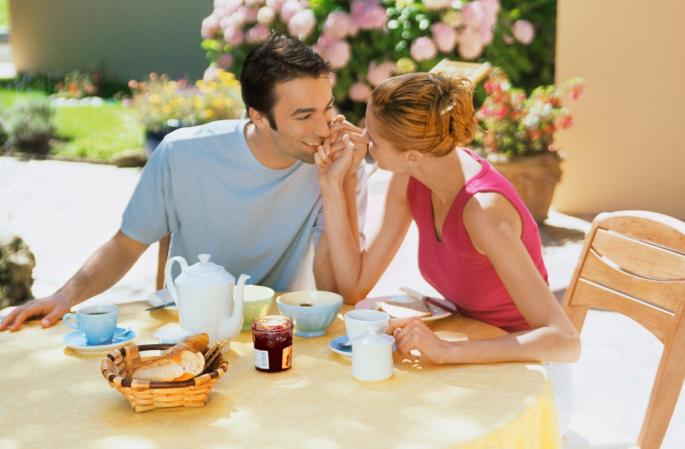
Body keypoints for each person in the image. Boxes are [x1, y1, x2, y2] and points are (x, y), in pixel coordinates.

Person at [0, 34, 367, 332]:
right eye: (304, 116)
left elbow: (334, 289)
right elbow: (125, 245)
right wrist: (64, 297)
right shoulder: (183, 153)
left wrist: (338, 184)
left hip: (275, 329)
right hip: (192, 326)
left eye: (327, 108)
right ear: (258, 116)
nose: (324, 129)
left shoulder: (337, 166)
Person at [314, 72, 578, 433]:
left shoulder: (483, 212)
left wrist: (446, 351)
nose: (362, 140)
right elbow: (353, 286)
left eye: (372, 139)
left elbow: (564, 341)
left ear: (411, 155)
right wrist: (337, 183)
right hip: (472, 357)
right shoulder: (410, 179)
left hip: (533, 382)